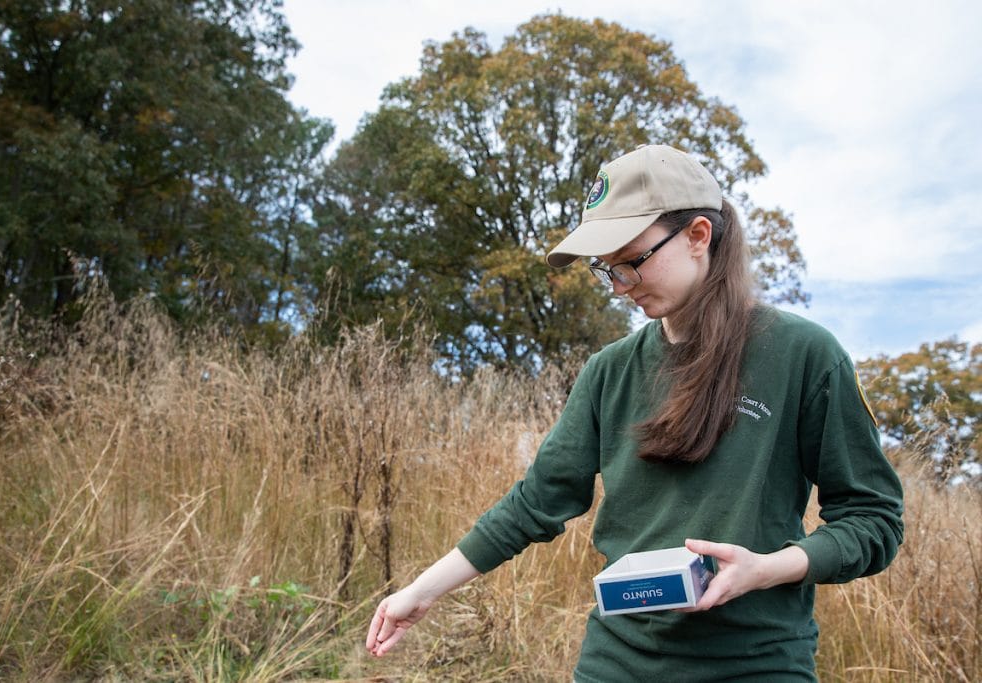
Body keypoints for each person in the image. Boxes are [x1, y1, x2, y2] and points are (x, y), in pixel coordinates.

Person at [364, 144, 904, 681]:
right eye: (607, 270)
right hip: (617, 663)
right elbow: (537, 502)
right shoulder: (610, 371)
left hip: (756, 663)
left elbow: (872, 521)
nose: (620, 286)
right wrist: (420, 591)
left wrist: (765, 570)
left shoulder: (804, 356)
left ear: (698, 236)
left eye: (632, 261)